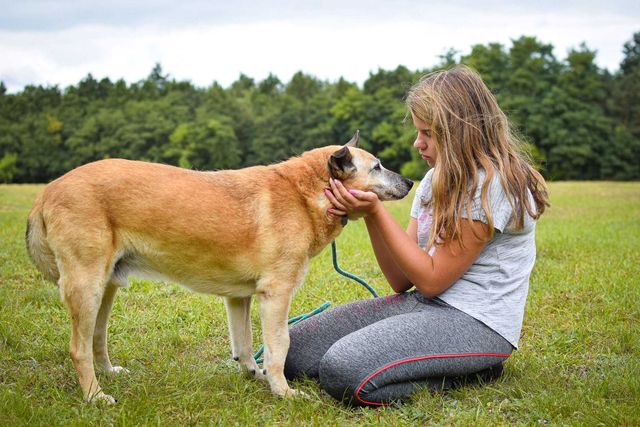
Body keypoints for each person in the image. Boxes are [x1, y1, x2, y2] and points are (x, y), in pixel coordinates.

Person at [283, 65, 550, 407]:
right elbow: (399, 280)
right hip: (422, 307)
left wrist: (376, 212)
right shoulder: (431, 182)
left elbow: (432, 281)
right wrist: (368, 216)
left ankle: (476, 370)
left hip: (475, 323)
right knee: (292, 352)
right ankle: (428, 362)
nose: (417, 142)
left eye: (428, 133)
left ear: (460, 132)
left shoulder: (491, 185)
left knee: (342, 371)